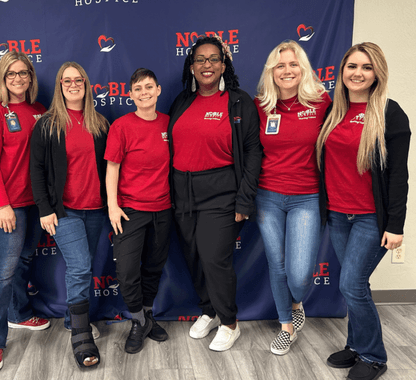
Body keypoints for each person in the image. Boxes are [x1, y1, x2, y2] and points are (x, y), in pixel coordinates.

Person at [316, 42, 410, 380]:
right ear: (342, 72)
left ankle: (374, 357)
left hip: (372, 217)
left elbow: (399, 175)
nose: (358, 73)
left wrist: (396, 225)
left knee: (352, 285)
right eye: (352, 66)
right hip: (340, 215)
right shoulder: (333, 111)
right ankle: (356, 345)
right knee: (355, 285)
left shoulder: (389, 112)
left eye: (366, 67)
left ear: (377, 73)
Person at [168, 35, 262, 351]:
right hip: (183, 192)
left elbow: (252, 153)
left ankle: (229, 322)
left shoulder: (239, 101)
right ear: (191, 66)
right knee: (194, 257)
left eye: (213, 59)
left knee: (213, 257)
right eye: (200, 59)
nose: (206, 65)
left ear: (223, 65)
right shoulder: (181, 101)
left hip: (222, 193)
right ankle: (209, 310)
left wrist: (245, 198)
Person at [254, 40, 331, 355]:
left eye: (293, 64)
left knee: (299, 275)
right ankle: (286, 325)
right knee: (277, 264)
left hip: (306, 197)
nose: (287, 70)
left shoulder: (323, 102)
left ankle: (297, 301)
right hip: (267, 196)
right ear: (272, 71)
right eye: (280, 65)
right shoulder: (261, 105)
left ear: (304, 69)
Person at [30, 62, 109, 368]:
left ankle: (69, 317)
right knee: (79, 267)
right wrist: (45, 209)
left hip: (95, 209)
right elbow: (36, 170)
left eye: (79, 80)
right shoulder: (48, 124)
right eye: (67, 80)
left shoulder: (99, 123)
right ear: (60, 86)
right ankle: (79, 332)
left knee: (83, 267)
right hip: (64, 211)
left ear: (87, 85)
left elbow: (111, 168)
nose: (73, 84)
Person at [0, 51, 50, 372]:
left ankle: (19, 314)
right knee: (3, 272)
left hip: (35, 203)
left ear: (31, 78)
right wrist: (3, 205)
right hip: (5, 204)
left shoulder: (39, 110)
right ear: (2, 79)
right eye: (12, 74)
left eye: (24, 73)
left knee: (23, 261)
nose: (19, 79)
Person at [105, 68, 171, 354]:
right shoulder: (121, 126)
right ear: (130, 95)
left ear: (158, 90)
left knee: (153, 268)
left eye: (148, 87)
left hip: (164, 209)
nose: (144, 92)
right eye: (138, 89)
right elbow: (112, 168)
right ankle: (137, 321)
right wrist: (113, 206)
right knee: (128, 271)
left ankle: (147, 315)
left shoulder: (170, 123)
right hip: (130, 210)